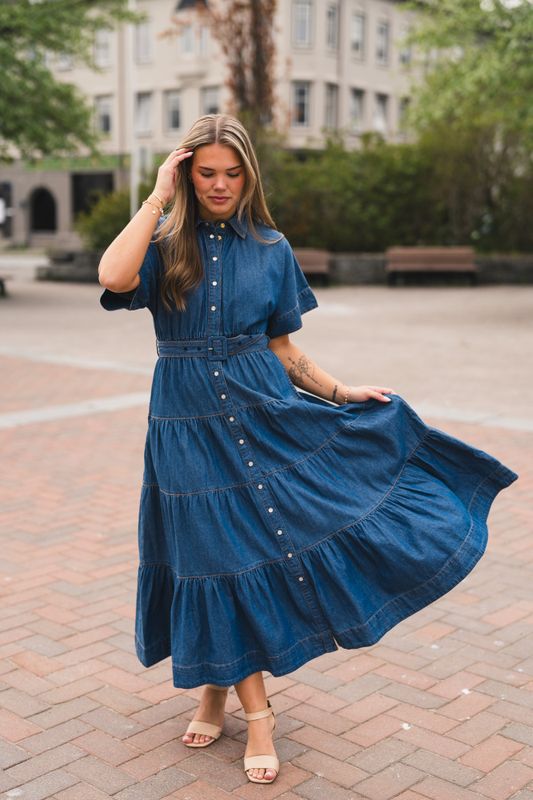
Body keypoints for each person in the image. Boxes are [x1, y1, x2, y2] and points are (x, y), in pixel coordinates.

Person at [98, 113, 519, 785]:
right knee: (210, 558)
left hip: (263, 415)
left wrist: (341, 392)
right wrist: (156, 196)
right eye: (205, 172)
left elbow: (284, 349)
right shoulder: (164, 240)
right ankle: (244, 707)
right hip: (185, 425)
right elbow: (113, 277)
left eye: (231, 173)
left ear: (249, 175)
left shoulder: (271, 247)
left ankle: (226, 694)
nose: (219, 185)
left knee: (251, 553)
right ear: (185, 173)